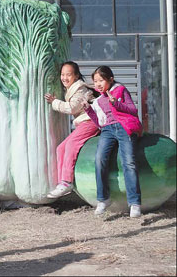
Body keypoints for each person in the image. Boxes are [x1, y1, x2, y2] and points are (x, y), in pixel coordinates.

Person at [82, 66, 142, 218]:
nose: (98, 84)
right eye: (95, 81)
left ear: (110, 79)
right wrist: (88, 110)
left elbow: (133, 110)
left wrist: (116, 103)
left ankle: (134, 203)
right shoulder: (99, 100)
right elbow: (99, 123)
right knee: (99, 159)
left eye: (101, 80)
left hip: (124, 127)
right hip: (108, 130)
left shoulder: (120, 90)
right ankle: (103, 199)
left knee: (128, 162)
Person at [44, 61, 100, 199]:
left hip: (90, 122)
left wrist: (54, 102)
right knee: (60, 148)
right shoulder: (72, 88)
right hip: (83, 124)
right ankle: (62, 183)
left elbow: (72, 108)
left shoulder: (80, 89)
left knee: (70, 145)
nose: (64, 78)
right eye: (62, 74)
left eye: (68, 74)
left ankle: (67, 182)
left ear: (75, 76)